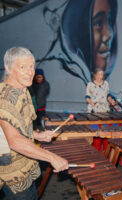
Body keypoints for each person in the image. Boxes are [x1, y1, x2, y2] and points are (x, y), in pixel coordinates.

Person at [0, 47, 68, 200]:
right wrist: (52, 157)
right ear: (8, 68)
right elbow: (15, 141)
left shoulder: (23, 91)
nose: (30, 72)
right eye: (22, 67)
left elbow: (19, 129)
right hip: (12, 171)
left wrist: (37, 135)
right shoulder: (6, 99)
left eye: (31, 66)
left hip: (25, 163)